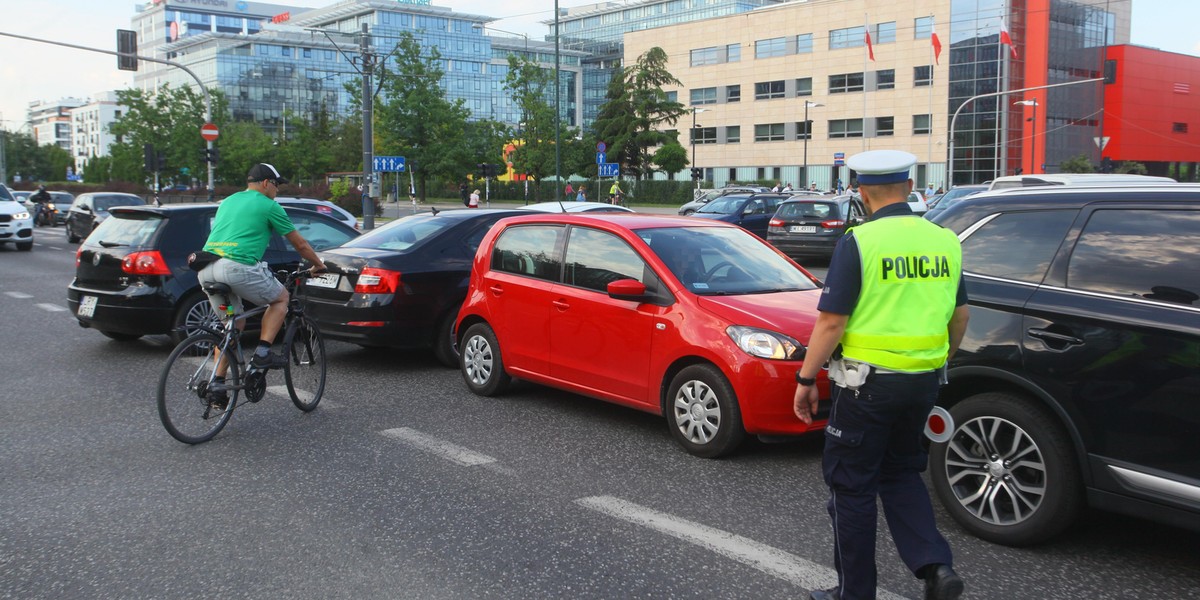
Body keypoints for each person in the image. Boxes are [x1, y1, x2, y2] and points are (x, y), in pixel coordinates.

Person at [793, 150, 969, 600]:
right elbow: (961, 315)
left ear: (861, 192)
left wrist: (806, 379)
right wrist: (938, 359)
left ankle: (854, 594)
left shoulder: (860, 241)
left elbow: (832, 322)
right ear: (910, 189)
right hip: (923, 380)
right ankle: (935, 567)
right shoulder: (944, 240)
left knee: (851, 488)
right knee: (902, 472)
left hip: (866, 386)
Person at [196, 163, 328, 406]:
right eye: (277, 185)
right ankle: (264, 352)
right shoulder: (269, 205)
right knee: (281, 299)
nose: (278, 191)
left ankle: (216, 386)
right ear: (266, 183)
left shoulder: (228, 201)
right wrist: (318, 265)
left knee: (232, 326)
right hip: (237, 267)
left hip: (207, 269)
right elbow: (300, 245)